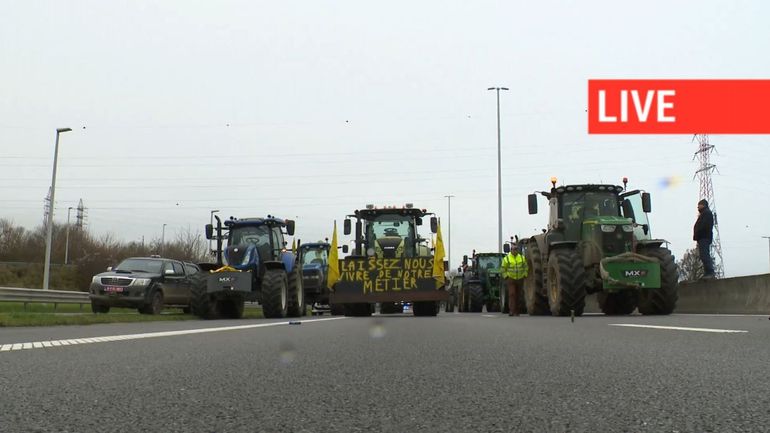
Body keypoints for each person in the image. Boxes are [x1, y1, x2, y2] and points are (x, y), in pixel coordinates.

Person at [501, 244, 528, 316]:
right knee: (512, 294)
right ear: (511, 250)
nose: (515, 250)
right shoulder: (507, 258)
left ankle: (517, 311)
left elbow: (525, 267)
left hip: (520, 278)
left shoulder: (522, 258)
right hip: (511, 279)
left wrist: (525, 274)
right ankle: (511, 311)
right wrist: (506, 276)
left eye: (516, 249)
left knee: (519, 295)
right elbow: (503, 268)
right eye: (513, 249)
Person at [693, 199, 715, 278]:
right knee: (703, 255)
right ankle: (707, 272)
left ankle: (710, 272)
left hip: (704, 237)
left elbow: (704, 226)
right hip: (703, 237)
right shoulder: (704, 213)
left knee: (705, 255)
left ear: (703, 205)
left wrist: (698, 233)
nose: (698, 207)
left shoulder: (706, 213)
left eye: (699, 205)